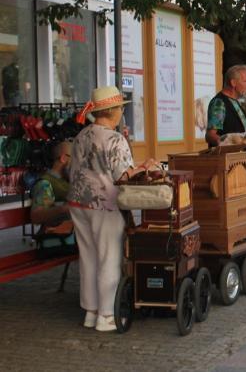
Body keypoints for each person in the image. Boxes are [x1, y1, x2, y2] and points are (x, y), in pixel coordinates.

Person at [68, 86, 159, 332]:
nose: (121, 112)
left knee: (88, 258)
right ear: (112, 111)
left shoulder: (81, 135)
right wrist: (146, 166)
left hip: (78, 202)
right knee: (108, 258)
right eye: (120, 108)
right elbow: (123, 175)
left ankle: (91, 311)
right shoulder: (114, 139)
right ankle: (107, 315)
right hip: (104, 204)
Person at [30, 141, 75, 252]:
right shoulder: (45, 184)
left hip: (69, 238)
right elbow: (36, 217)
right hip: (57, 241)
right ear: (64, 158)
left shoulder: (66, 181)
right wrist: (62, 208)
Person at [206, 64, 246, 146]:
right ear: (233, 82)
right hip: (226, 157)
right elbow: (210, 135)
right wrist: (227, 143)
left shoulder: (236, 102)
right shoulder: (219, 102)